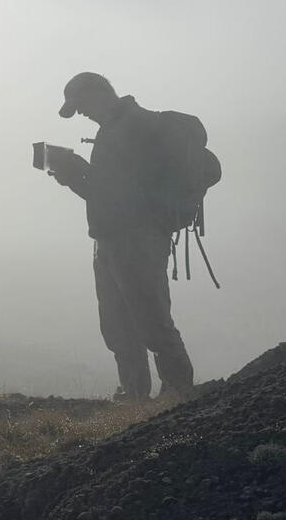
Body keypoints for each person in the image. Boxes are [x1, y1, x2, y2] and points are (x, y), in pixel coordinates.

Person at [44, 72, 196, 401]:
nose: (81, 113)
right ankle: (135, 395)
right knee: (118, 324)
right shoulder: (114, 130)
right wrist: (75, 175)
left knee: (151, 319)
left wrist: (75, 174)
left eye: (81, 105)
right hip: (112, 238)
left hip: (136, 238)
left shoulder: (133, 127)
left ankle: (179, 394)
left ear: (101, 93)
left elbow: (122, 195)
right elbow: (107, 193)